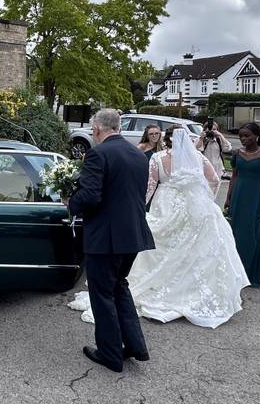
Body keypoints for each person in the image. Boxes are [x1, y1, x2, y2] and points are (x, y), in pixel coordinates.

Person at [70, 126, 250, 328]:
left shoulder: (157, 158)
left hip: (166, 205)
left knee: (163, 245)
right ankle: (187, 288)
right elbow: (214, 179)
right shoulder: (198, 157)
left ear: (166, 140)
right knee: (191, 249)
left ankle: (157, 287)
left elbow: (149, 187)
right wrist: (206, 199)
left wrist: (141, 210)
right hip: (195, 208)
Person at [66, 109, 153, 373]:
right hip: (133, 234)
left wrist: (71, 202)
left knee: (102, 294)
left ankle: (110, 354)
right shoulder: (138, 155)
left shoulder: (98, 154)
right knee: (119, 287)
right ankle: (135, 346)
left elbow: (91, 196)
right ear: (119, 127)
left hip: (106, 237)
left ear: (96, 128)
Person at [225, 122, 260, 287]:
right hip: (239, 198)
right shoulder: (237, 154)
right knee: (236, 235)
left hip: (257, 200)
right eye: (241, 136)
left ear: (257, 136)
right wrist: (228, 198)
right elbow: (234, 176)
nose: (243, 139)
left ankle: (252, 274)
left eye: (247, 136)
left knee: (254, 236)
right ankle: (236, 273)